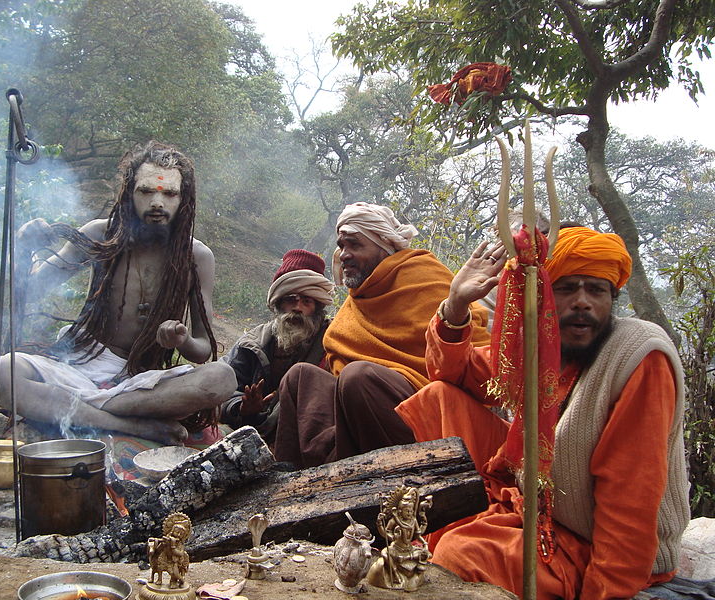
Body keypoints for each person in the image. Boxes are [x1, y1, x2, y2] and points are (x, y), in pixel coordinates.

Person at [396, 226, 690, 599]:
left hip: (590, 543)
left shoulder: (639, 357)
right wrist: (455, 305)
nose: (582, 302)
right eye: (567, 288)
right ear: (545, 295)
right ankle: (455, 516)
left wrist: (607, 593)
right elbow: (453, 373)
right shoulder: (547, 340)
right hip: (536, 503)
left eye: (596, 290)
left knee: (460, 553)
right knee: (438, 397)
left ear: (612, 298)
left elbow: (631, 498)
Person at [0, 141, 236, 445]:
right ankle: (132, 426)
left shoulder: (197, 257)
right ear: (130, 193)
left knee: (222, 379)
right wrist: (24, 249)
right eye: (146, 191)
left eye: (169, 193)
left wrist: (182, 340)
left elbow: (203, 349)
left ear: (184, 199)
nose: (157, 202)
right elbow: (30, 291)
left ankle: (76, 410)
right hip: (79, 364)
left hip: (140, 383)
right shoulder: (101, 235)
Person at [273, 202, 490, 467]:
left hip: (430, 420)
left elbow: (475, 359)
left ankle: (391, 481)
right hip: (360, 417)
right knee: (299, 377)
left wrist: (456, 310)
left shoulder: (422, 275)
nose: (344, 255)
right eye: (342, 246)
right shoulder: (358, 300)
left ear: (383, 246)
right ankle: (292, 485)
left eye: (355, 245)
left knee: (359, 377)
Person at [220, 249, 334, 443]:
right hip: (250, 432)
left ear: (317, 307)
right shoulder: (253, 342)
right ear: (278, 303)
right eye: (291, 300)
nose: (297, 308)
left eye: (306, 301)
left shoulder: (333, 342)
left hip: (307, 438)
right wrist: (240, 407)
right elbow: (223, 387)